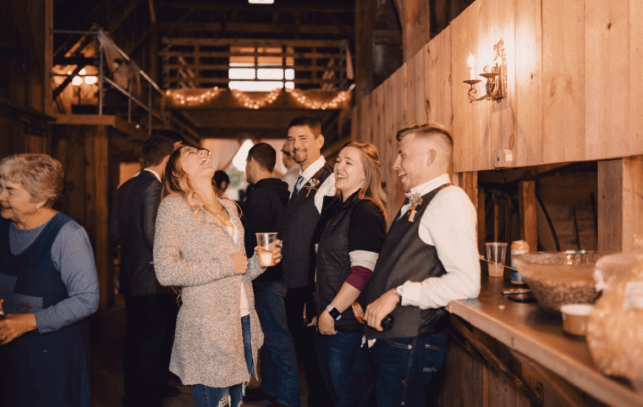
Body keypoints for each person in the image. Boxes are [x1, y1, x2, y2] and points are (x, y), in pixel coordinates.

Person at [337, 122, 481, 407]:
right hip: (386, 340)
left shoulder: (449, 200)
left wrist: (398, 294)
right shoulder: (416, 201)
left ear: (429, 157)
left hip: (408, 343)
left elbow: (467, 282)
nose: (394, 164)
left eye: (403, 155)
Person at [153, 146, 282, 407]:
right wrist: (226, 265)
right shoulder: (173, 207)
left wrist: (259, 261)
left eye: (202, 150)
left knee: (235, 402)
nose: (202, 152)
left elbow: (239, 270)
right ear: (178, 173)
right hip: (207, 328)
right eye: (191, 152)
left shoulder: (228, 206)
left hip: (241, 319)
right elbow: (165, 270)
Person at [0, 154, 99, 407]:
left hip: (50, 358)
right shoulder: (4, 226)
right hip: (9, 353)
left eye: (10, 190)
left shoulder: (68, 235)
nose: (0, 197)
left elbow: (87, 299)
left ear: (40, 199)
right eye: (0, 187)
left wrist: (28, 322)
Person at [311, 142, 387, 405]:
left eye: (349, 162)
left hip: (346, 325)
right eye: (339, 160)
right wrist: (316, 306)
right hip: (329, 320)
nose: (339, 167)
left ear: (365, 174)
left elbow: (362, 272)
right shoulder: (338, 208)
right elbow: (326, 264)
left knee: (349, 400)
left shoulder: (365, 210)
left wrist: (331, 311)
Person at [110, 135, 178, 407]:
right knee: (152, 342)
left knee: (135, 339)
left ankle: (133, 395)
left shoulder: (125, 186)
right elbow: (154, 236)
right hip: (151, 279)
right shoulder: (153, 187)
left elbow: (115, 233)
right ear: (166, 159)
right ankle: (147, 399)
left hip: (131, 276)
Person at [281, 116, 336, 407]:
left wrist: (316, 296)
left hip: (311, 289)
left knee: (317, 365)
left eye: (303, 138)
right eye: (292, 138)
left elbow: (327, 243)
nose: (296, 145)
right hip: (295, 284)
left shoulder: (328, 181)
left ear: (319, 141)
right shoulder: (300, 180)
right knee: (308, 360)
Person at [242, 143, 300, 407]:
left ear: (253, 162)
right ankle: (270, 388)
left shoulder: (259, 196)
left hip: (266, 276)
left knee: (277, 339)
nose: (245, 169)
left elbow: (253, 239)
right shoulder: (282, 191)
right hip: (280, 273)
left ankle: (287, 397)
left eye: (245, 163)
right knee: (268, 337)